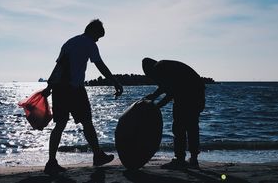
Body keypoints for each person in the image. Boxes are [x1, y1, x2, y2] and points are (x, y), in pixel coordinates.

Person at [41, 19, 124, 175]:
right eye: (98, 37)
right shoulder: (89, 44)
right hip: (74, 89)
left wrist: (50, 86)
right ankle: (98, 156)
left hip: (59, 89)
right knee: (87, 122)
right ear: (93, 31)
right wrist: (115, 82)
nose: (97, 40)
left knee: (60, 125)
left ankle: (51, 162)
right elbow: (100, 65)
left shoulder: (69, 42)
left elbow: (59, 66)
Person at [142, 58, 205, 169]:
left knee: (179, 128)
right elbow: (165, 86)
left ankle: (180, 159)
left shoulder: (160, 68)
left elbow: (171, 92)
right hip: (198, 93)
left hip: (187, 95)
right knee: (192, 127)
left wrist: (157, 106)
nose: (152, 78)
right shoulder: (163, 66)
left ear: (149, 70)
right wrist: (154, 96)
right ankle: (193, 159)